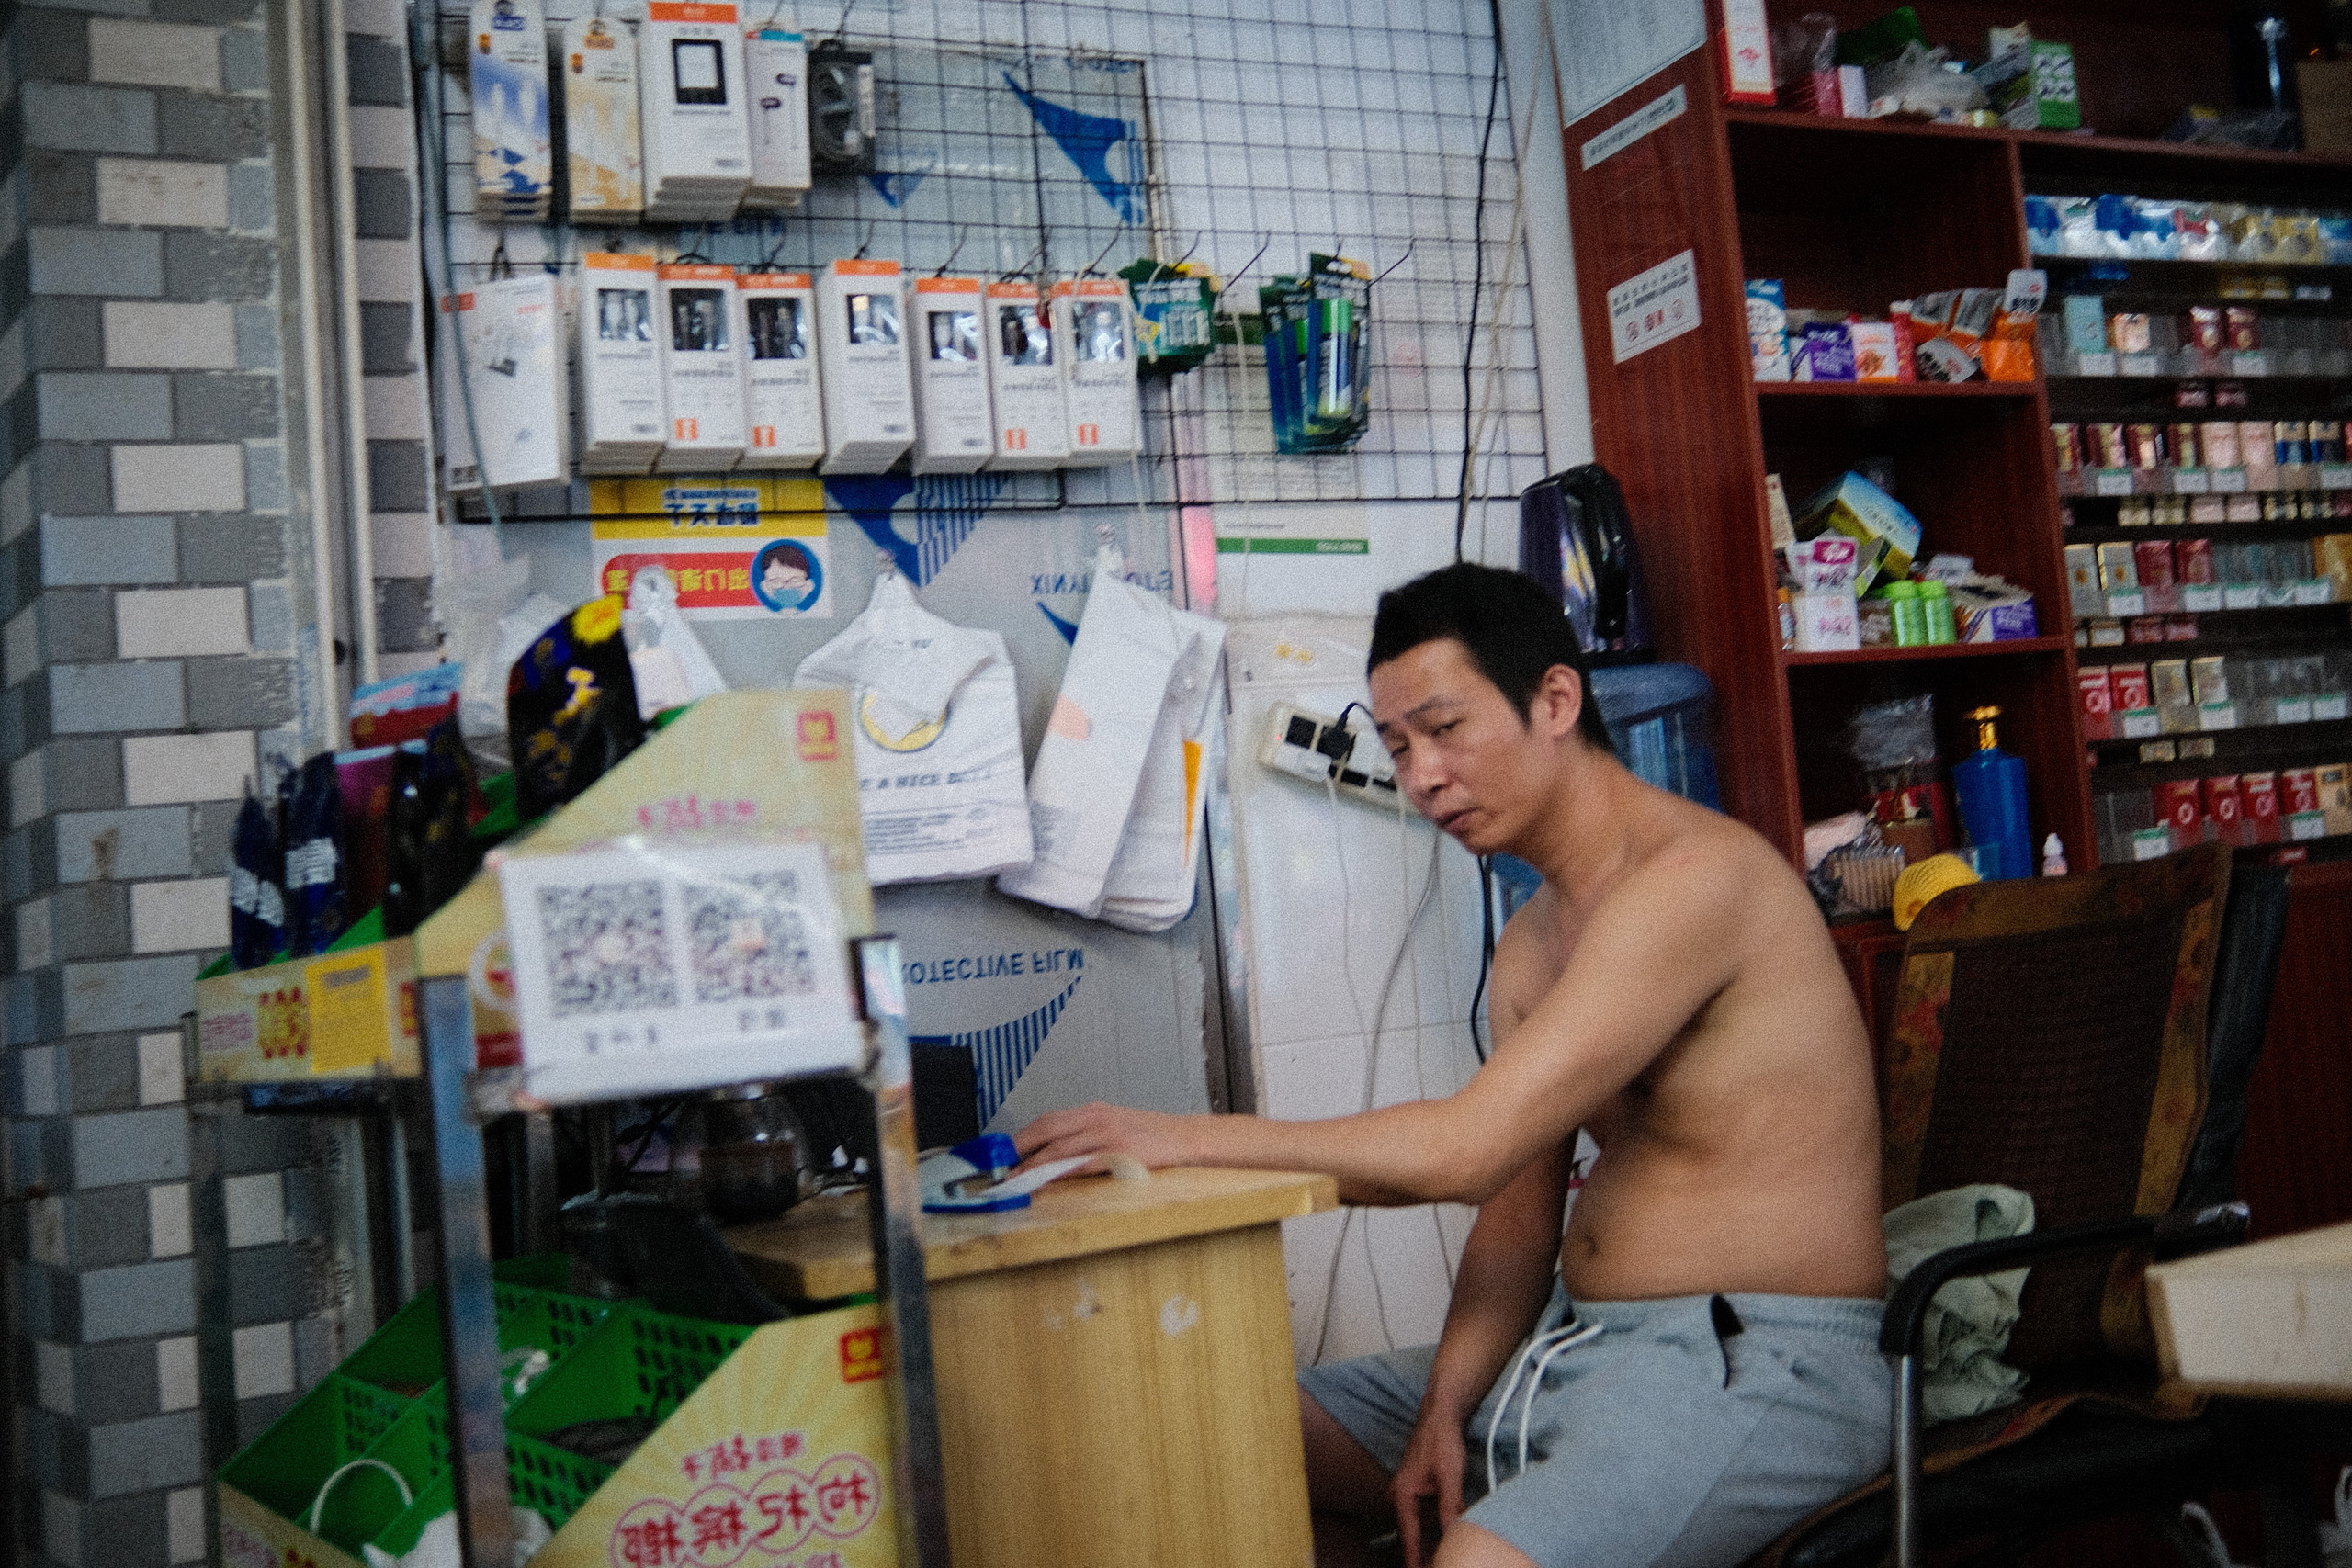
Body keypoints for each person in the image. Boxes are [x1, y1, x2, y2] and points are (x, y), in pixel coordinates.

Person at [1015, 563, 1892, 1568]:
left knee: (1477, 1560)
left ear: (1555, 701)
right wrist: (1442, 1409)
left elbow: (1464, 1150)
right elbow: (1516, 1213)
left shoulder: (1697, 882)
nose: (1421, 774)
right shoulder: (1532, 938)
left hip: (1756, 1364)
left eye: (1444, 729)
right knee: (1211, 1442)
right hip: (1572, 1349)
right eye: (1396, 745)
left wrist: (1174, 1139)